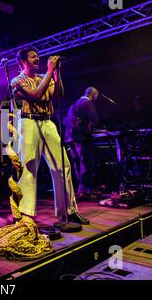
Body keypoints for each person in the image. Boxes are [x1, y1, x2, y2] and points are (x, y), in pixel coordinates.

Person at [10, 48, 89, 225]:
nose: (37, 58)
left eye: (38, 55)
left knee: (64, 165)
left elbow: (59, 93)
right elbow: (35, 95)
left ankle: (68, 211)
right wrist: (49, 71)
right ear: (23, 62)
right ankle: (25, 215)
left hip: (48, 122)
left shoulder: (42, 78)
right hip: (29, 123)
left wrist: (57, 72)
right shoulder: (17, 81)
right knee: (29, 167)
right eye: (33, 56)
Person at [65, 87, 99, 200]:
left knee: (77, 165)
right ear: (93, 95)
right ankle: (85, 192)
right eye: (96, 96)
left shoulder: (73, 104)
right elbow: (95, 120)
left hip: (70, 138)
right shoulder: (87, 103)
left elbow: (67, 121)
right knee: (86, 164)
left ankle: (80, 191)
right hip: (81, 138)